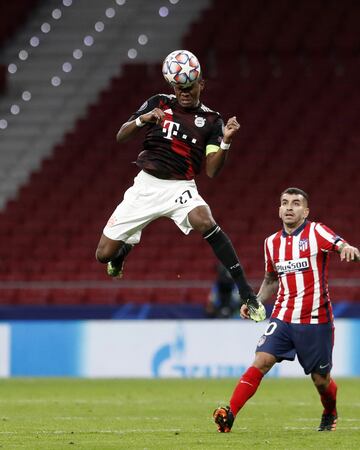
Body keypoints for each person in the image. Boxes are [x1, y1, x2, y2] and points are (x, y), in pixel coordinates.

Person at [95, 50, 265, 320]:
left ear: (201, 84)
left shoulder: (212, 121)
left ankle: (247, 294)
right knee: (103, 255)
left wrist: (227, 141)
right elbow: (120, 136)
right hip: (145, 186)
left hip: (180, 188)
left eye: (189, 86)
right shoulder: (159, 102)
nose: (184, 92)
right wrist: (144, 119)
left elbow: (211, 170)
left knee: (205, 220)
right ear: (172, 86)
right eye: (179, 87)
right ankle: (123, 250)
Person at [213, 187, 360, 433]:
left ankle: (329, 411)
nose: (289, 207)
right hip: (282, 317)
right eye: (284, 203)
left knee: (321, 381)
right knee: (261, 360)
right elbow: (271, 279)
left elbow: (340, 244)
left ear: (306, 210)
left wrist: (348, 249)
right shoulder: (271, 243)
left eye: (296, 203)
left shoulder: (316, 231)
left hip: (316, 319)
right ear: (279, 209)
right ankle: (229, 414)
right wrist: (256, 301)